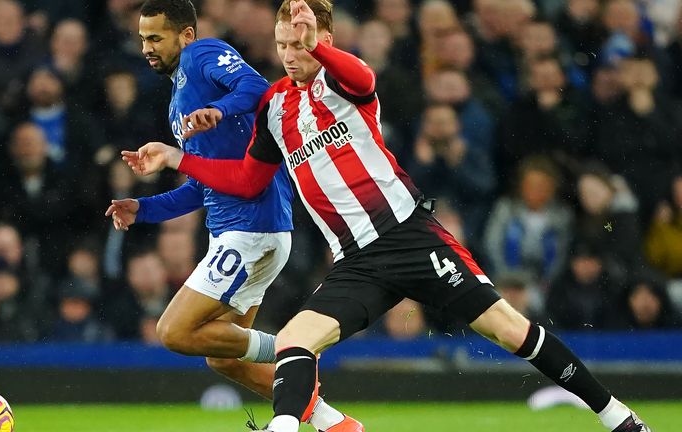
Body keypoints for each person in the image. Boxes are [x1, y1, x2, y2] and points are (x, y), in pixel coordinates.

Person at [121, 1, 652, 431]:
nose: (289, 54)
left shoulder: (343, 84)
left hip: (411, 237)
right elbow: (246, 180)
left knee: (512, 331)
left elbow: (361, 72)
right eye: (282, 44)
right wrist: (176, 159)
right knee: (293, 343)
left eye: (299, 43)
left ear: (322, 41)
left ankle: (619, 418)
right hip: (357, 262)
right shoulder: (275, 109)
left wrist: (319, 49)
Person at [104, 1, 357, 431]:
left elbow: (257, 88)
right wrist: (141, 209)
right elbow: (200, 188)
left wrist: (221, 109)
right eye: (142, 38)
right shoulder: (177, 100)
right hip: (244, 230)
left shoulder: (202, 55)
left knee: (172, 332)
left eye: (156, 37)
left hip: (250, 228)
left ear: (185, 35)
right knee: (223, 358)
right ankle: (334, 423)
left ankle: (290, 348)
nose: (147, 47)